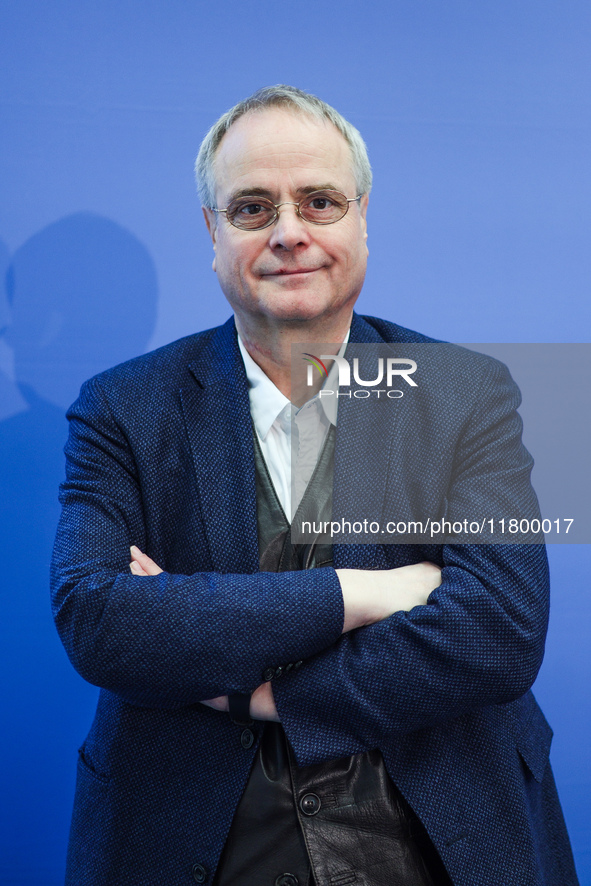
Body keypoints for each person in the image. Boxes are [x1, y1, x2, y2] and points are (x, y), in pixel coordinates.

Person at [51, 85, 578, 886]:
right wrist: (362, 594)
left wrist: (255, 697)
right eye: (252, 208)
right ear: (213, 231)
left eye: (319, 202)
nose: (288, 233)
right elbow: (99, 622)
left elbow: (497, 632)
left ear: (363, 217)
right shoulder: (121, 406)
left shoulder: (466, 389)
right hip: (190, 830)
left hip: (436, 827)